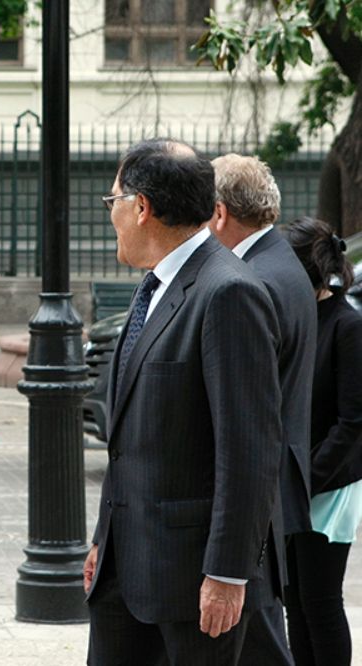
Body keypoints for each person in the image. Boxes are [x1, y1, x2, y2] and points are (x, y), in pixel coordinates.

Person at [83, 139, 284, 664]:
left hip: (191, 585)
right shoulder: (155, 285)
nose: (113, 218)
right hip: (125, 570)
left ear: (142, 207)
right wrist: (106, 539)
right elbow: (134, 438)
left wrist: (226, 573)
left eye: (113, 203)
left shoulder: (226, 292)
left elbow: (250, 450)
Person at [210, 153, 316, 665]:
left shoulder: (252, 280)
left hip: (261, 491)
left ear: (220, 212)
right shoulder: (276, 261)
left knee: (260, 638)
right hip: (278, 482)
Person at [283, 217, 362, 666]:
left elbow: (353, 423)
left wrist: (307, 477)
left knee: (321, 601)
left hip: (329, 485)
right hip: (296, 481)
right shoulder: (299, 319)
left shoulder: (347, 326)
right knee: (295, 603)